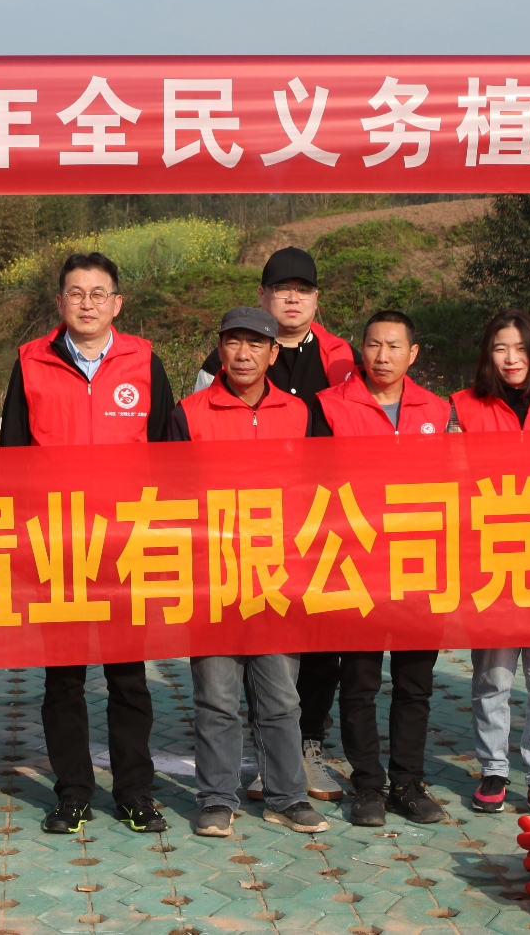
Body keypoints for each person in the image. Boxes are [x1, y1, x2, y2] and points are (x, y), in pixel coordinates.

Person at [0, 251, 176, 836]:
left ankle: (135, 793)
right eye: (76, 293)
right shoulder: (31, 362)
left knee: (128, 679)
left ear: (117, 304)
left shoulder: (144, 361)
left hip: (126, 543)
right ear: (60, 302)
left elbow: (168, 456)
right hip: (59, 544)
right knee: (64, 680)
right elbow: (13, 458)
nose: (87, 303)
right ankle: (73, 792)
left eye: (99, 293)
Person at [192, 246, 360, 798]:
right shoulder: (223, 362)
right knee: (235, 667)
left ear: (316, 298)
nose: (292, 298)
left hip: (306, 531)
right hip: (229, 535)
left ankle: (305, 750)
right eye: (281, 288)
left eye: (302, 290)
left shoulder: (341, 358)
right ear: (262, 295)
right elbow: (190, 447)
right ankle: (246, 767)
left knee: (318, 647)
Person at [175, 306, 329, 838]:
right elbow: (170, 495)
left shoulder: (299, 413)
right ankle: (217, 799)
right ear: (220, 349)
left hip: (278, 573)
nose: (243, 354)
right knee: (217, 697)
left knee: (281, 696)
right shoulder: (189, 413)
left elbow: (319, 487)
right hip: (212, 574)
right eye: (233, 343)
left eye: (255, 344)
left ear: (273, 352)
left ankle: (287, 796)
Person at [313, 310, 453, 827]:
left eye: (394, 346)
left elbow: (454, 480)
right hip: (357, 563)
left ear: (412, 354)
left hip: (419, 562)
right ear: (361, 349)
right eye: (373, 345)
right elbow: (312, 480)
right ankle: (368, 784)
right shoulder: (329, 406)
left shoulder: (437, 410)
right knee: (360, 681)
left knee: (415, 682)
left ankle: (408, 783)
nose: (383, 355)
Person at [448, 309, 530, 815]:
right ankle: (494, 768)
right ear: (488, 354)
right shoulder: (462, 406)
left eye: (521, 348)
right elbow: (450, 477)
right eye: (501, 348)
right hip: (490, 556)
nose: (511, 358)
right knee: (493, 676)